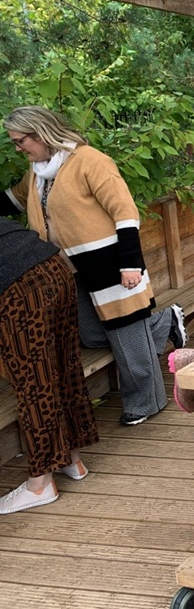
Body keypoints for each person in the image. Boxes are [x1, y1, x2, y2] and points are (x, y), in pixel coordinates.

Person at [1, 106, 187, 426]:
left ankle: (145, 402)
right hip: (68, 270)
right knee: (91, 336)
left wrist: (130, 264)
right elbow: (13, 201)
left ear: (40, 134)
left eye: (20, 141)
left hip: (110, 265)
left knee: (128, 343)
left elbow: (125, 212)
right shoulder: (37, 173)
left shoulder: (91, 161)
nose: (18, 148)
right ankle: (163, 323)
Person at [0, 218, 100, 514]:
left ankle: (40, 484)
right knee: (64, 366)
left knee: (35, 383)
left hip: (21, 287)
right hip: (54, 268)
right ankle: (72, 459)